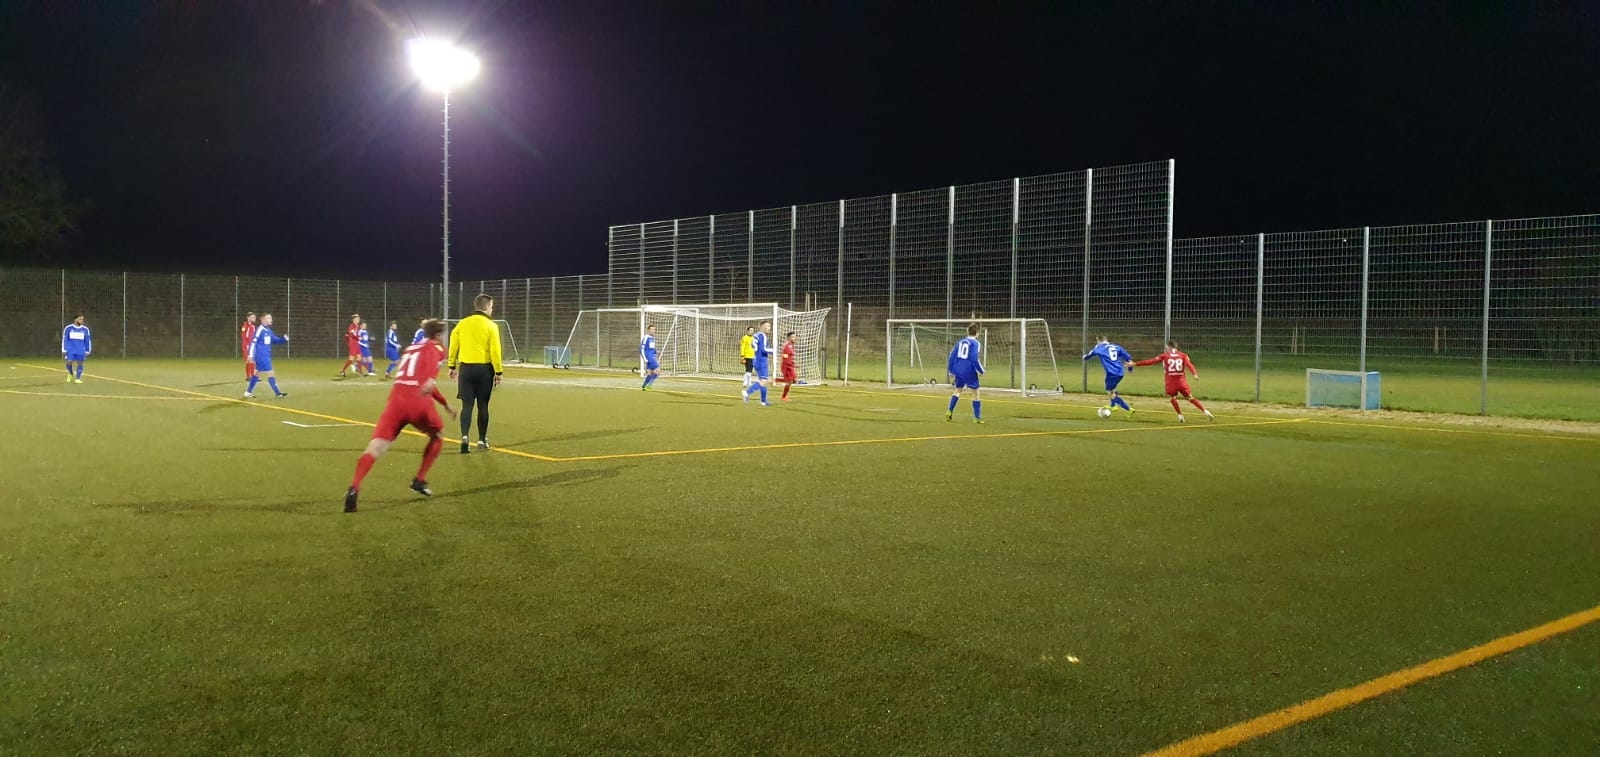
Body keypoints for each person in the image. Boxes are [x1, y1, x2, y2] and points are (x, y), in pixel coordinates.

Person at [344, 319, 458, 513]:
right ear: (439, 335)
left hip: (396, 401)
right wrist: (444, 402)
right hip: (418, 400)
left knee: (375, 447)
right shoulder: (437, 348)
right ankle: (419, 479)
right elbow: (428, 380)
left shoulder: (410, 348)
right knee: (438, 435)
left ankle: (354, 487)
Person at [447, 293, 503, 453]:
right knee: (483, 406)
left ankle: (464, 437)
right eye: (491, 307)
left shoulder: (462, 323)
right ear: (486, 307)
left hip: (466, 369)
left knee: (467, 406)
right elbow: (495, 350)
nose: (492, 310)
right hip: (484, 370)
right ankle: (481, 440)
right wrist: (498, 371)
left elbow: (453, 343)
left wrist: (451, 365)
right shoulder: (491, 326)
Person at [1133, 340, 1214, 423]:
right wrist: (1194, 374)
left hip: (1171, 381)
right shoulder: (1183, 355)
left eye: (1167, 347)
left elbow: (1150, 361)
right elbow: (1189, 365)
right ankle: (1205, 411)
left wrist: (1135, 364)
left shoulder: (1165, 355)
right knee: (1190, 398)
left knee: (1172, 398)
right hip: (1181, 381)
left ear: (1169, 347)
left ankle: (1180, 415)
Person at [1083, 335, 1135, 415]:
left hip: (1112, 373)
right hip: (1120, 372)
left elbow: (1089, 355)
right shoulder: (1116, 347)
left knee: (1110, 392)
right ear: (1106, 340)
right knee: (1113, 389)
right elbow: (1128, 358)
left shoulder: (1099, 347)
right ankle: (1113, 405)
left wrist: (1085, 357)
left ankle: (1128, 409)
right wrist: (1130, 369)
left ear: (1099, 340)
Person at [946, 323, 985, 423]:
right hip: (968, 370)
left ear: (968, 331)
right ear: (977, 333)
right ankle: (977, 418)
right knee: (975, 393)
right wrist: (981, 370)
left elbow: (952, 356)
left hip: (958, 369)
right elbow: (974, 358)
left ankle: (949, 411)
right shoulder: (976, 343)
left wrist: (950, 370)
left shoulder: (960, 342)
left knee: (958, 390)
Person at [246, 314, 289, 399]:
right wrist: (250, 355)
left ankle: (248, 392)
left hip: (265, 355)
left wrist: (284, 339)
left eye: (271, 318)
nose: (271, 320)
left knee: (257, 373)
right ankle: (278, 393)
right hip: (261, 356)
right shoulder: (260, 329)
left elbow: (275, 340)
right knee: (271, 372)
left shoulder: (268, 330)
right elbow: (253, 342)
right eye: (269, 318)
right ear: (263, 320)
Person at [741, 321, 774, 406]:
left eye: (769, 326)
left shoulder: (756, 335)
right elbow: (763, 349)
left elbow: (755, 347)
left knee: (763, 381)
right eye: (767, 326)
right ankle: (747, 392)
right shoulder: (762, 335)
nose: (769, 328)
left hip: (755, 359)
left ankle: (763, 401)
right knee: (763, 381)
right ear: (762, 327)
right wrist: (773, 350)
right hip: (761, 360)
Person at [61, 315, 91, 383]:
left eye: (82, 319)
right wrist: (64, 349)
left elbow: (87, 341)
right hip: (70, 349)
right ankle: (70, 373)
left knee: (80, 363)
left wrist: (87, 350)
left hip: (80, 350)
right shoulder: (68, 328)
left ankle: (77, 378)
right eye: (80, 319)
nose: (82, 321)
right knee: (69, 362)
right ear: (75, 320)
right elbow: (65, 339)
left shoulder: (85, 329)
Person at [340, 313, 363, 377]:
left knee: (359, 357)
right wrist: (358, 338)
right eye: (357, 318)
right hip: (353, 343)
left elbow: (349, 334)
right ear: (354, 319)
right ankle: (343, 370)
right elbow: (351, 335)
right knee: (351, 359)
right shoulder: (352, 326)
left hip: (356, 343)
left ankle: (361, 372)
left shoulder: (357, 326)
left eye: (359, 318)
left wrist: (358, 337)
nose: (359, 319)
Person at [640, 324, 661, 390]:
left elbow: (652, 349)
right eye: (652, 329)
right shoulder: (646, 338)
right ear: (648, 330)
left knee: (649, 373)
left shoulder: (652, 338)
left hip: (652, 357)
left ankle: (644, 386)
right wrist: (645, 359)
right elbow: (641, 349)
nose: (653, 331)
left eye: (654, 329)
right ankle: (649, 385)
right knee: (658, 370)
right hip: (649, 358)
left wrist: (656, 352)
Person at [778, 331, 798, 402]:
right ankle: (784, 397)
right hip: (786, 367)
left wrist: (794, 364)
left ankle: (777, 380)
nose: (794, 338)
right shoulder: (787, 346)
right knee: (789, 381)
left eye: (794, 337)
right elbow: (785, 357)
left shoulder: (791, 346)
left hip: (790, 366)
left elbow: (790, 357)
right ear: (788, 338)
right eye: (792, 337)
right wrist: (791, 365)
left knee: (794, 380)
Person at [240, 312, 258, 380]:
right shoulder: (245, 326)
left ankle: (249, 376)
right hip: (248, 345)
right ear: (248, 318)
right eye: (252, 317)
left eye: (254, 317)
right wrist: (246, 346)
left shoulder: (253, 326)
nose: (254, 318)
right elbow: (244, 337)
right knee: (250, 360)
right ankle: (250, 376)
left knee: (252, 360)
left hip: (253, 345)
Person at [739, 325, 756, 390]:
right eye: (750, 330)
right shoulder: (745, 338)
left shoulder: (753, 338)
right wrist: (742, 356)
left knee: (749, 371)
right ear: (747, 331)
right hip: (747, 356)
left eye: (752, 330)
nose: (751, 331)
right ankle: (748, 383)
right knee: (749, 371)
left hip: (753, 356)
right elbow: (742, 347)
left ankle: (746, 382)